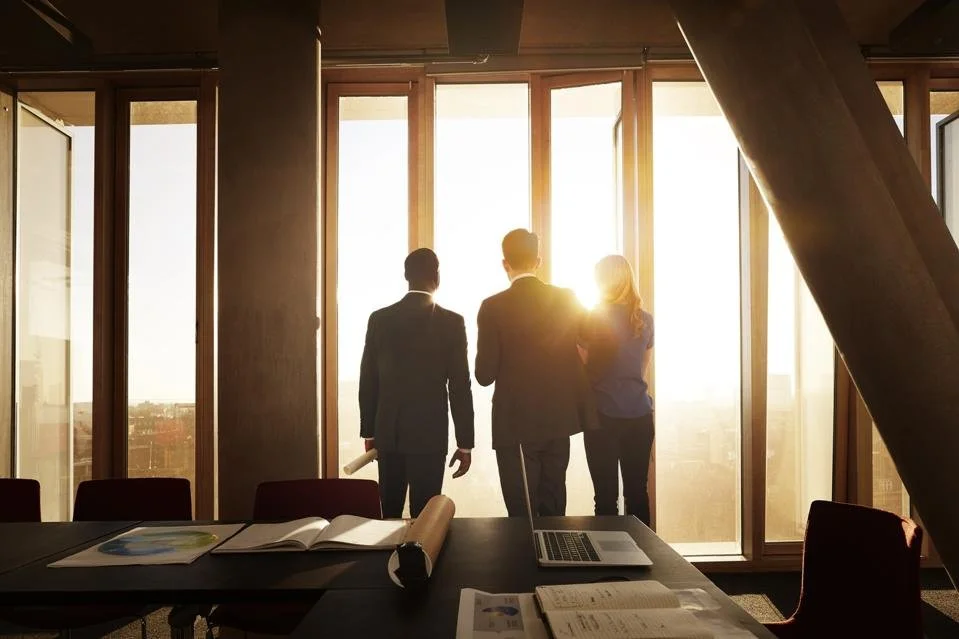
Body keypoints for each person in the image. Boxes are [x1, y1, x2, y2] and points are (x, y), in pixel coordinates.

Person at [475, 229, 597, 517]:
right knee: (554, 505)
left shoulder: (493, 307)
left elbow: (484, 375)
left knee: (521, 516)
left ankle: (524, 563)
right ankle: (556, 559)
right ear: (538, 261)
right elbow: (590, 340)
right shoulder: (567, 298)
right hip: (559, 419)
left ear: (505, 264)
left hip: (515, 424)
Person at [359, 248, 474, 518]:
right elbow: (459, 386)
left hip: (389, 433)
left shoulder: (379, 319)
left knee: (388, 516)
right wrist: (464, 442)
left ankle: (387, 560)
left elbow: (368, 380)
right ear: (437, 277)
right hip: (430, 436)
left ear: (406, 276)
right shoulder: (452, 322)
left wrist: (369, 432)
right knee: (425, 520)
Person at [579, 255, 654, 525]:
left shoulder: (591, 317)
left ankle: (609, 564)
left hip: (603, 417)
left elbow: (584, 367)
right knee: (637, 493)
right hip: (640, 416)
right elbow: (640, 370)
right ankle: (646, 561)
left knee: (606, 498)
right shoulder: (645, 320)